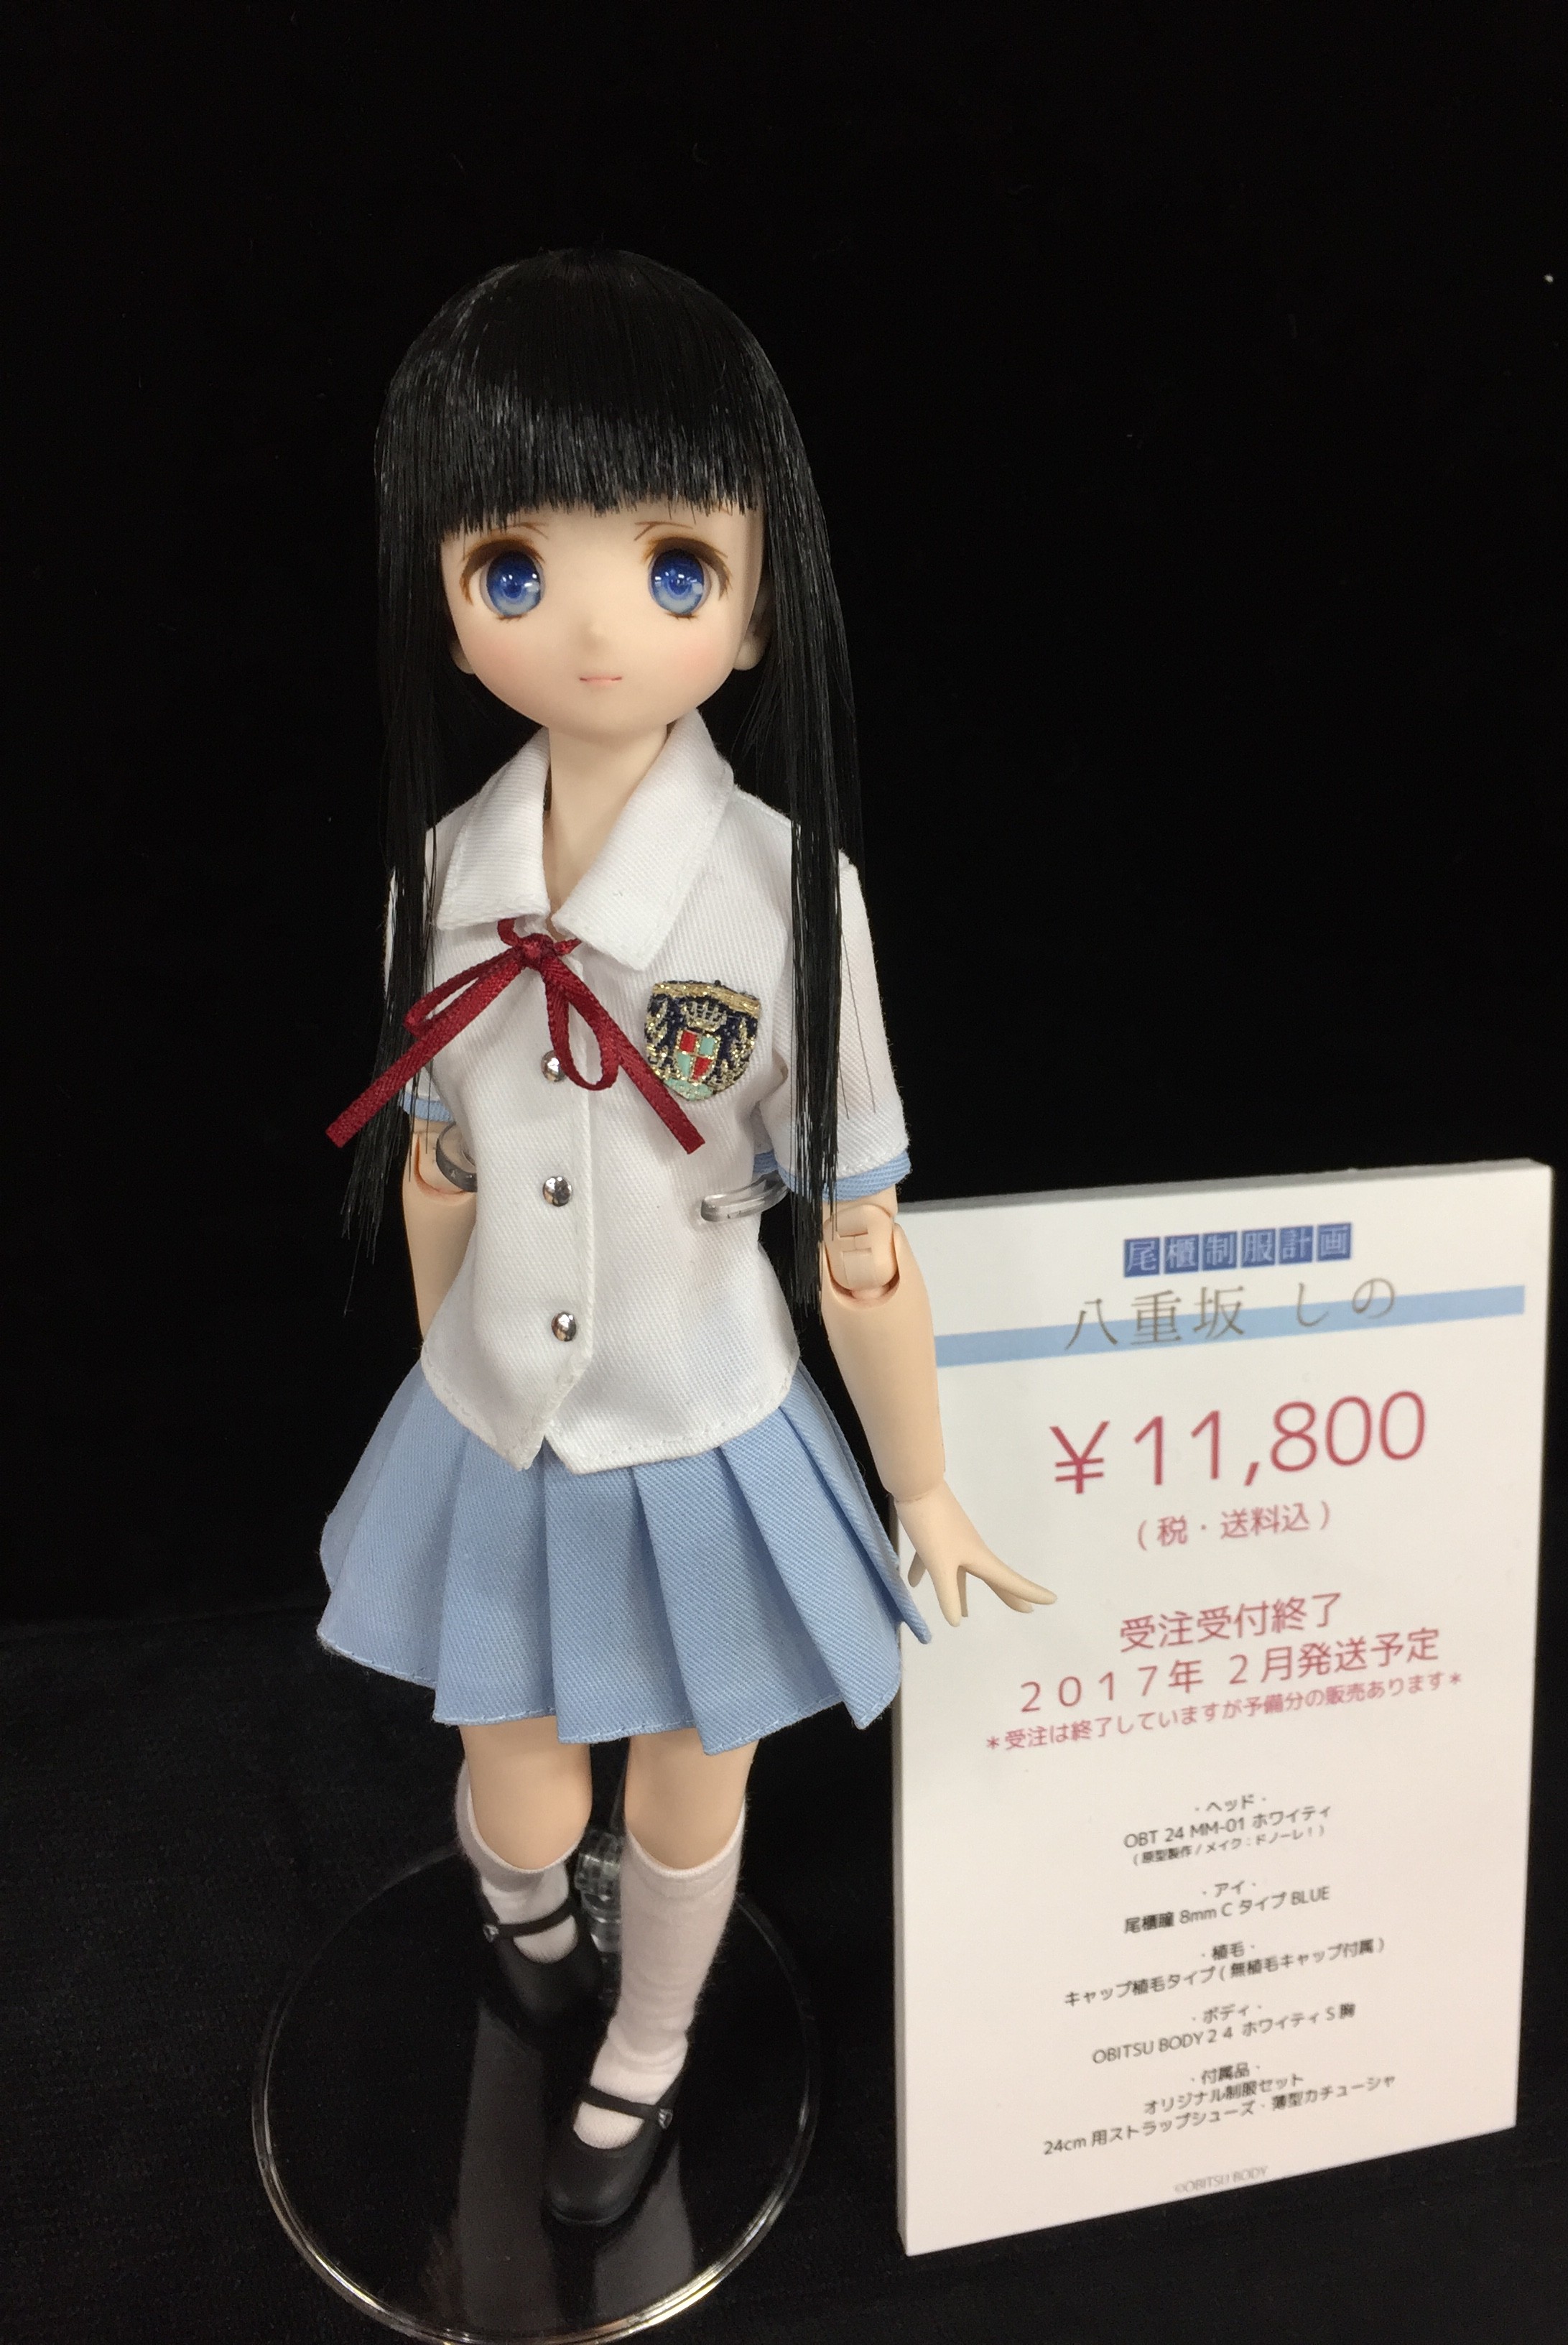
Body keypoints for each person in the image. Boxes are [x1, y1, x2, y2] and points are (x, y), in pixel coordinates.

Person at [321, 249, 1052, 2226]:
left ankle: (646, 2044)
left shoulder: (790, 899)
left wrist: (922, 1477)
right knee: (511, 1760)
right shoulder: (440, 881)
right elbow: (442, 1174)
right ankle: (524, 1933)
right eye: (511, 568)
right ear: (447, 597)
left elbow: (860, 1237)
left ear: (751, 608)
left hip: (706, 1410)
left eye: (667, 567)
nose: (589, 626)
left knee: (689, 1768)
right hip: (495, 1410)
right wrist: (448, 1381)